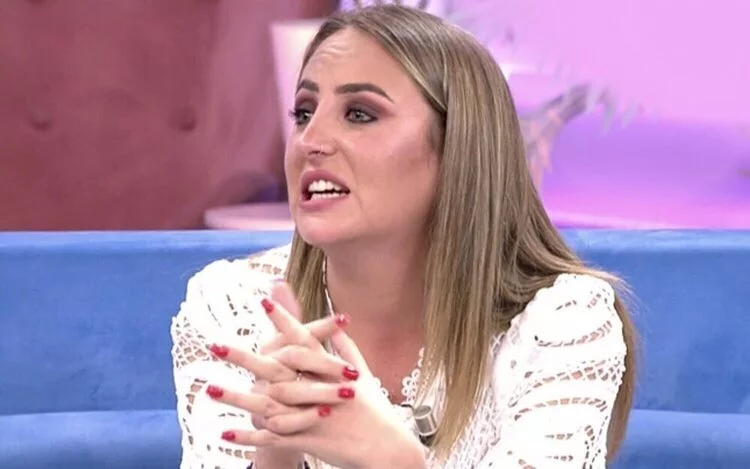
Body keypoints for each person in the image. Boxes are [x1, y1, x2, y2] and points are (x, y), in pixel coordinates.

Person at [170, 5, 637, 468]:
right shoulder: (234, 305)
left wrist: (393, 460)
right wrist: (275, 454)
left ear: (458, 147)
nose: (310, 141)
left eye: (359, 114)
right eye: (304, 113)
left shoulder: (561, 322)